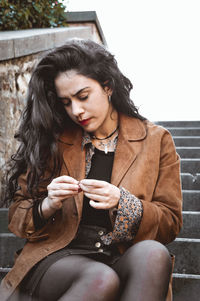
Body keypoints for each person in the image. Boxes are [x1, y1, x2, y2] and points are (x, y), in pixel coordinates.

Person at [0, 39, 182, 301]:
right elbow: (17, 216)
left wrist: (124, 203)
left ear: (107, 87)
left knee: (153, 253)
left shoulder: (156, 140)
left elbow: (171, 222)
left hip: (121, 255)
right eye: (66, 102)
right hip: (59, 257)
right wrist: (48, 204)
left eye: (83, 96)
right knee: (100, 278)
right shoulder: (54, 139)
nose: (76, 110)